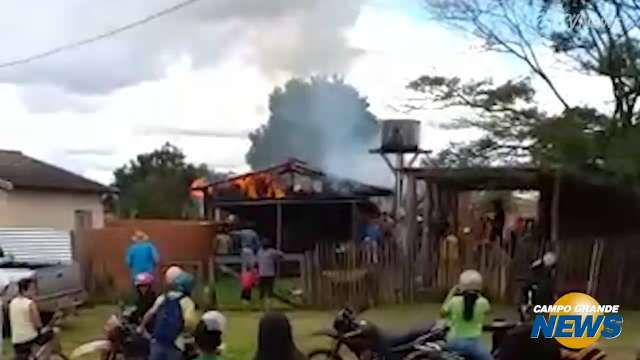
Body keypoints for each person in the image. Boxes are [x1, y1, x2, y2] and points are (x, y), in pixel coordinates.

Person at [139, 269, 198, 360]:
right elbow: (189, 322)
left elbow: (150, 313)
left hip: (157, 340)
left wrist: (142, 327)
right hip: (175, 342)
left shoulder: (164, 297)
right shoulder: (187, 302)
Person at [441, 270, 492, 360]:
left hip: (453, 341)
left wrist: (451, 293)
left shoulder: (454, 301)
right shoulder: (483, 302)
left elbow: (442, 313)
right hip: (473, 344)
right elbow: (488, 311)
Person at [10, 278, 52, 360]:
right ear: (24, 290)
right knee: (52, 333)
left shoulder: (12, 303)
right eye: (32, 289)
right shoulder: (30, 303)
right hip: (30, 339)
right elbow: (37, 324)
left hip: (16, 341)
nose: (35, 291)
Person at [257, 240, 284, 309]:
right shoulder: (271, 251)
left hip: (265, 274)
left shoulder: (261, 252)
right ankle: (266, 306)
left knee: (265, 291)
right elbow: (281, 254)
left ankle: (265, 306)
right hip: (267, 274)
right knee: (265, 291)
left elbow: (280, 255)